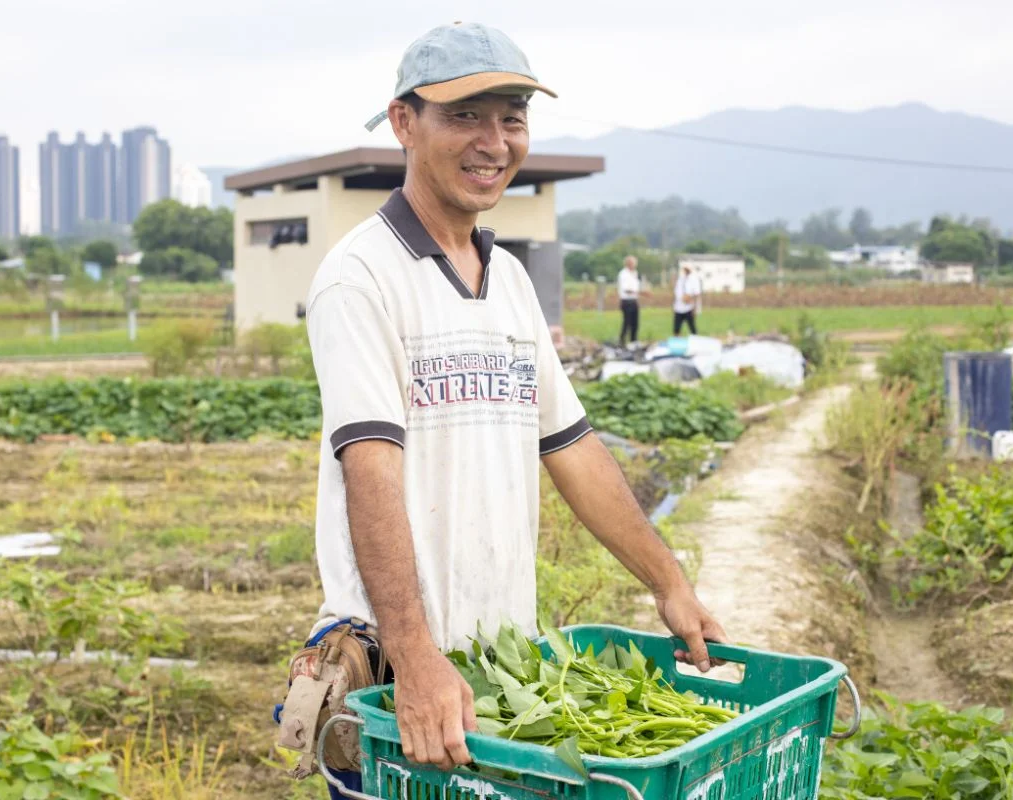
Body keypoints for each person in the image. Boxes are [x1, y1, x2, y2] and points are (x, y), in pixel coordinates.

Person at [305, 22, 727, 797]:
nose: (493, 142)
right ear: (404, 122)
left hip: (500, 671)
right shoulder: (360, 278)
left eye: (512, 117)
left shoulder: (509, 283)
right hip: (399, 677)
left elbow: (573, 449)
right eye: (464, 116)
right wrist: (420, 660)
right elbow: (370, 475)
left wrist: (668, 581)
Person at [617, 255, 640, 347]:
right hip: (626, 301)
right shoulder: (623, 274)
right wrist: (640, 292)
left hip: (634, 300)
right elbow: (626, 289)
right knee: (627, 323)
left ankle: (633, 341)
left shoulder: (635, 273)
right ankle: (622, 342)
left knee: (635, 323)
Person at [673, 263, 701, 336]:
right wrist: (683, 298)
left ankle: (695, 342)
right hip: (678, 308)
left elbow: (696, 294)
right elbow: (677, 293)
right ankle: (677, 343)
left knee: (692, 329)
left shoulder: (694, 279)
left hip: (689, 308)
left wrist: (695, 308)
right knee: (676, 328)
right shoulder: (680, 279)